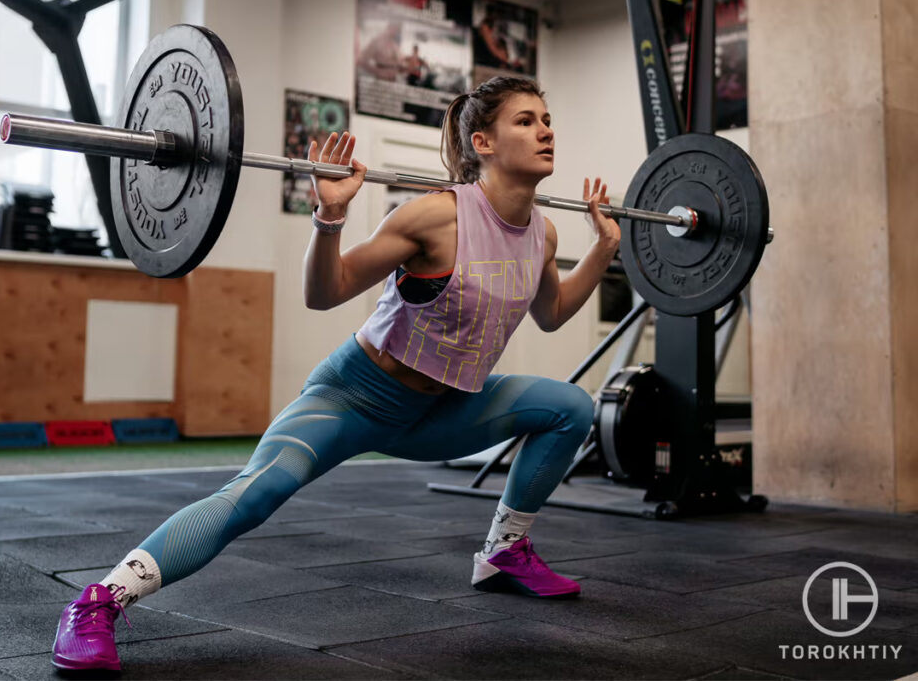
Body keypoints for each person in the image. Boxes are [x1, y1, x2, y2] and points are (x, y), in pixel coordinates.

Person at [51, 75, 621, 673]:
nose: (545, 130)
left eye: (546, 119)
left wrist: (602, 251)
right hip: (354, 397)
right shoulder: (434, 217)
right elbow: (325, 292)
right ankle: (97, 603)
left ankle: (503, 550)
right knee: (257, 492)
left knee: (571, 407)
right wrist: (329, 216)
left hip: (445, 410)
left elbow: (552, 314)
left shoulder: (543, 233)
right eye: (526, 120)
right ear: (482, 141)